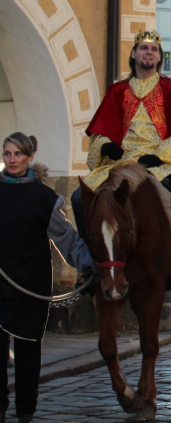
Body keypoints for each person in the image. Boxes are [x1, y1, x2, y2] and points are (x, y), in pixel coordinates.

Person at [70, 30, 171, 291]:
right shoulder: (117, 91)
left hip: (163, 161)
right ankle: (92, 266)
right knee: (77, 198)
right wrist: (107, 146)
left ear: (159, 57)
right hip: (123, 163)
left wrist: (161, 154)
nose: (148, 52)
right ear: (134, 53)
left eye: (154, 49)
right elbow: (100, 132)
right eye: (143, 48)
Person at [1, 133, 95, 423]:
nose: (12, 160)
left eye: (18, 154)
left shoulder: (44, 198)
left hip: (31, 284)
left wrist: (92, 265)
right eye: (7, 154)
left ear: (29, 157)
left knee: (28, 353)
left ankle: (26, 413)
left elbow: (65, 238)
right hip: (0, 283)